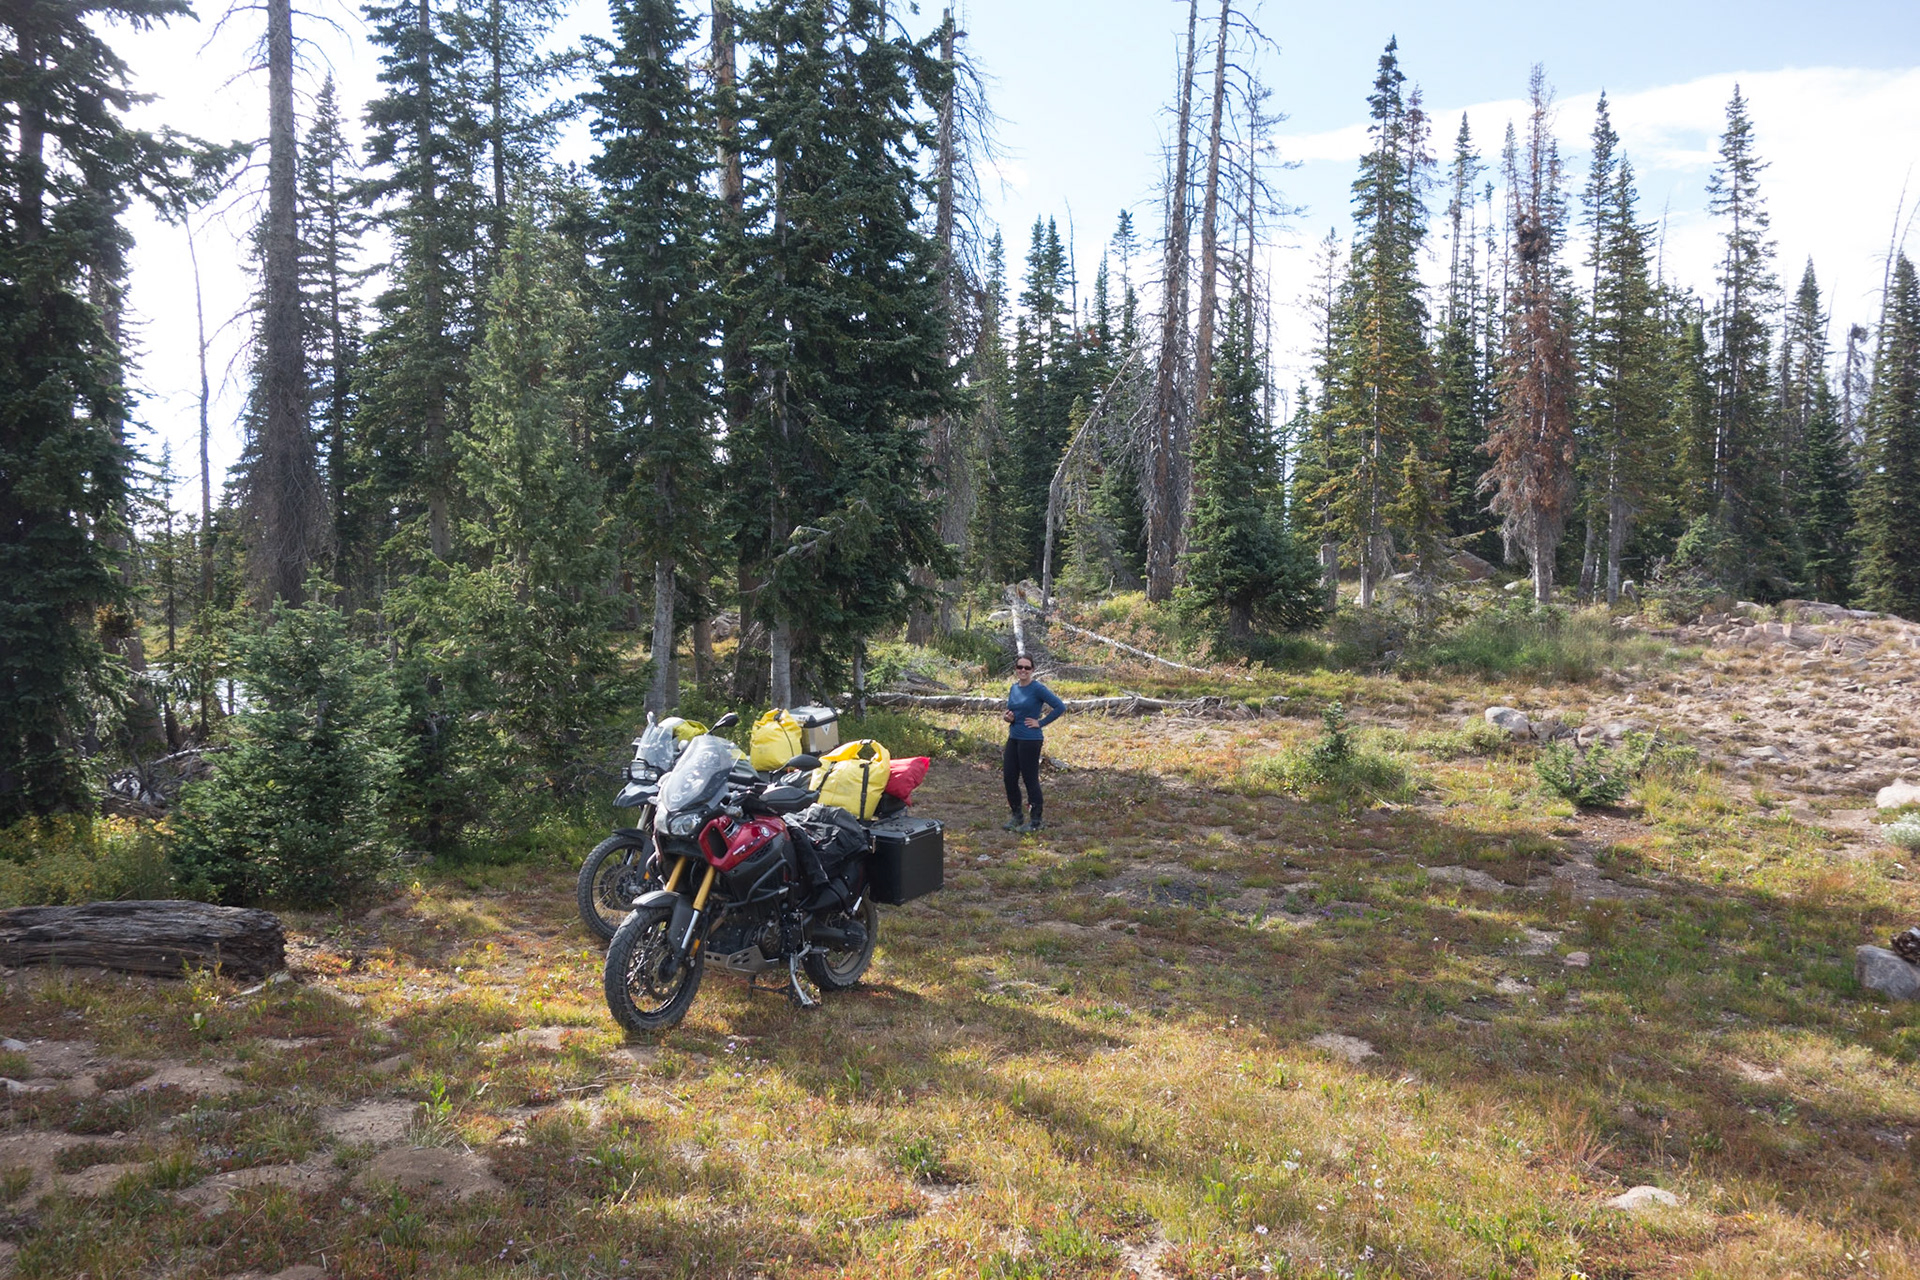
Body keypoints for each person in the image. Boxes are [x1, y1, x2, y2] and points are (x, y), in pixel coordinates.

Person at [1001, 654, 1065, 832]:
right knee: (1009, 778)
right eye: (1019, 667)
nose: (1023, 670)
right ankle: (1017, 816)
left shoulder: (1037, 688)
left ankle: (1036, 821)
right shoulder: (1014, 688)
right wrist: (1008, 717)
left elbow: (1060, 707)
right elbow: (1012, 712)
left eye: (1027, 667)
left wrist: (1041, 722)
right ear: (1016, 669)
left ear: (1032, 670)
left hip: (1030, 740)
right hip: (1014, 737)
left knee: (1030, 779)